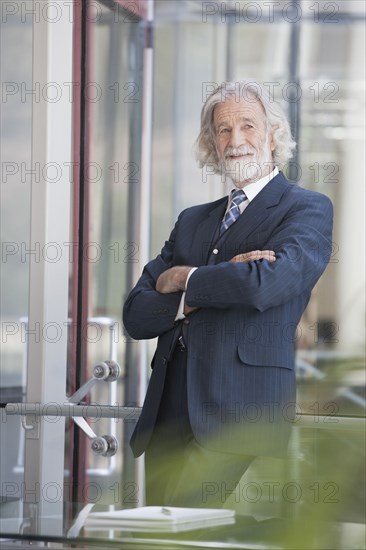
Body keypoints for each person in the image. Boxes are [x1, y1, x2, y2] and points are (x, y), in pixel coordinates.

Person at [123, 79, 333, 508]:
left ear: (273, 135)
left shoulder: (305, 208)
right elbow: (137, 315)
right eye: (223, 130)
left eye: (248, 127)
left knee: (187, 520)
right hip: (169, 407)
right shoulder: (191, 221)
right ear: (211, 143)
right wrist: (207, 283)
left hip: (239, 410)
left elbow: (263, 284)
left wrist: (183, 280)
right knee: (159, 532)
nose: (235, 141)